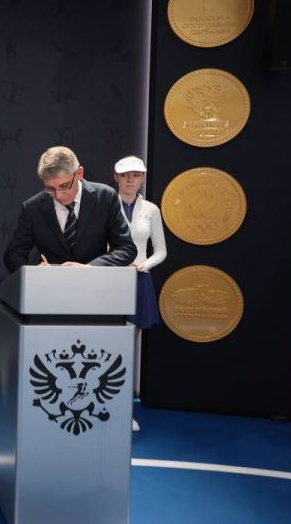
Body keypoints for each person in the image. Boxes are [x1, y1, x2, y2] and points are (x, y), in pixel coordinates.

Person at [4, 146, 136, 271]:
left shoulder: (105, 198)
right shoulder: (32, 208)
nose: (58, 195)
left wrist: (90, 268)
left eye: (64, 186)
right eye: (50, 188)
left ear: (79, 173)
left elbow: (126, 248)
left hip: (95, 283)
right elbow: (13, 254)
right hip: (50, 285)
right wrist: (34, 273)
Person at [113, 156, 167, 432]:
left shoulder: (151, 209)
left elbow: (161, 250)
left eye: (136, 175)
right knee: (107, 346)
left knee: (128, 350)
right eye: (125, 175)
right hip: (109, 281)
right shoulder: (105, 205)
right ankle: (104, 407)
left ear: (143, 178)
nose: (130, 180)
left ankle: (125, 412)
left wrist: (143, 265)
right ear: (116, 177)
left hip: (139, 280)